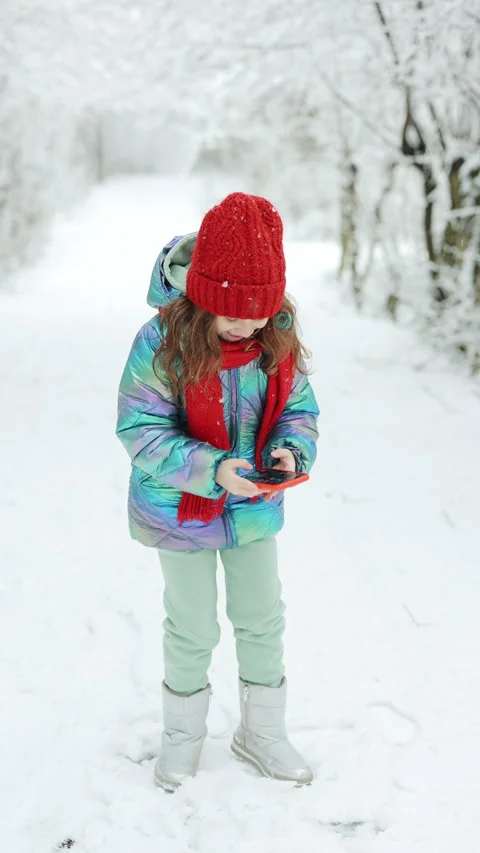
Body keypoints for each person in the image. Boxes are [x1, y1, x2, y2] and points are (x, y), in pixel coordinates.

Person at [116, 192, 319, 791]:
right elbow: (140, 428)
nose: (247, 324)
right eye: (232, 313)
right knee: (193, 625)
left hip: (252, 508)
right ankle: (182, 736)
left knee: (261, 618)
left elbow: (300, 411)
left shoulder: (276, 336)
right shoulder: (160, 344)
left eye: (259, 311)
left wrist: (291, 451)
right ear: (202, 294)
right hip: (179, 507)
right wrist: (211, 469)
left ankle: (262, 733)